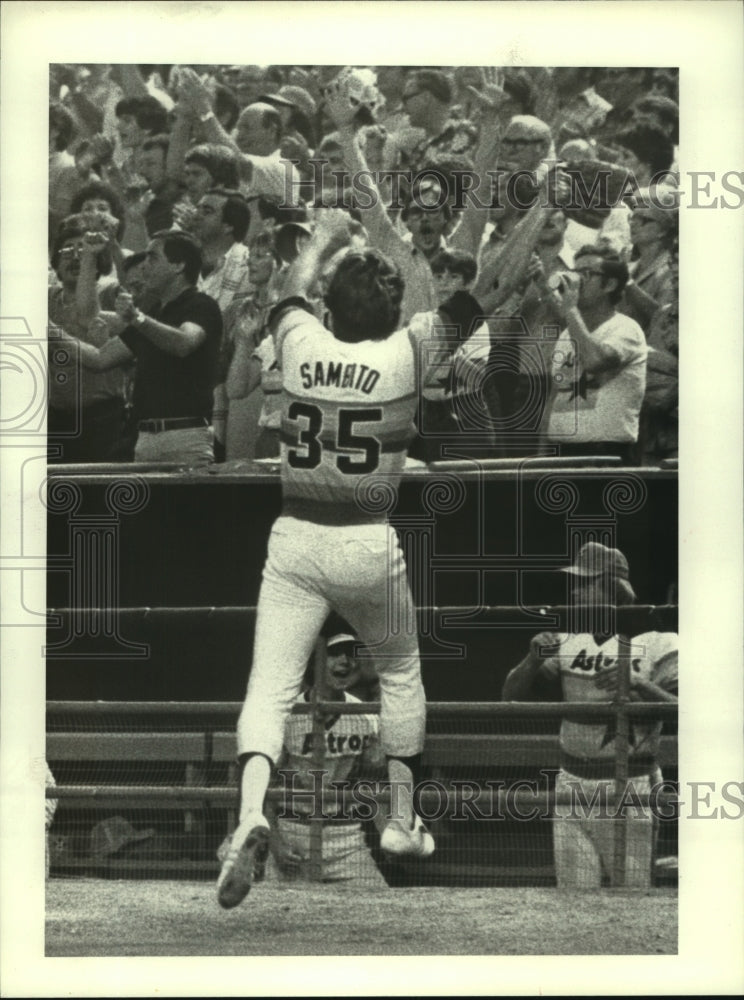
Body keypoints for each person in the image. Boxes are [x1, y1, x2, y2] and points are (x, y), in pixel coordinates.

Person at [216, 210, 442, 910]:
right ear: (391, 308)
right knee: (400, 671)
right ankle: (401, 821)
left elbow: (289, 284)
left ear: (331, 307)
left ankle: (253, 808)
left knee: (269, 687)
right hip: (368, 536)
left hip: (296, 533)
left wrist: (325, 236)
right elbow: (441, 287)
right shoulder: (407, 350)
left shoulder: (302, 336)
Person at [501, 541, 678, 889]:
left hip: (630, 786)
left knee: (631, 899)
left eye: (586, 583)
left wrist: (639, 683)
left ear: (613, 587)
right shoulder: (566, 639)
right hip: (572, 783)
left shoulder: (661, 641)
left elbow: (690, 713)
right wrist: (533, 659)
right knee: (575, 899)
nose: (575, 591)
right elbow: (510, 698)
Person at [217, 630, 387, 885]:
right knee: (261, 908)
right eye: (334, 654)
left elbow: (375, 782)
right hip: (291, 832)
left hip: (345, 839)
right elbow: (264, 788)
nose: (346, 661)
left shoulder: (366, 717)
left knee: (379, 905)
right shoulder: (287, 715)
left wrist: (390, 831)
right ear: (315, 661)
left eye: (352, 654)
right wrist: (276, 845)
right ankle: (248, 854)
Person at [56, 230, 223, 465]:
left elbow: (184, 343)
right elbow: (98, 352)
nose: (144, 266)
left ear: (178, 266)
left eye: (153, 258)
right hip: (144, 438)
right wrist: (89, 258)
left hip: (185, 438)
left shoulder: (202, 305)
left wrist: (137, 318)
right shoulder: (154, 314)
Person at [543, 244, 647, 464]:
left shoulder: (626, 329)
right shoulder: (566, 334)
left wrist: (570, 309)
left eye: (585, 274)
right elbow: (554, 395)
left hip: (604, 454)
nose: (574, 281)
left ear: (609, 284)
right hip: (561, 452)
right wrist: (542, 452)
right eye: (574, 272)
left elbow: (594, 361)